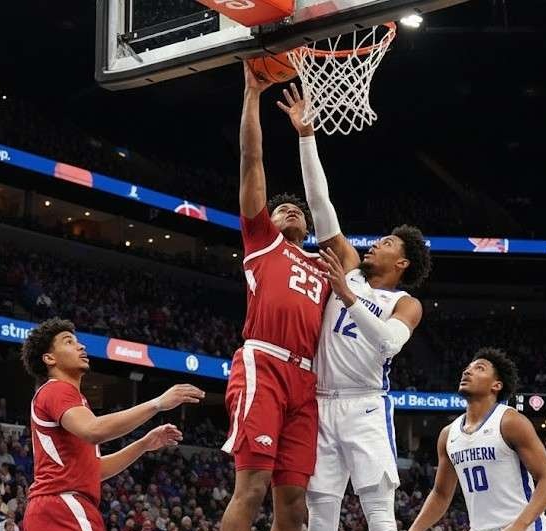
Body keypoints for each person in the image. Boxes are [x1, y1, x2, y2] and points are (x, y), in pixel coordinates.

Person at [276, 83, 431, 531]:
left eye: (385, 242)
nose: (374, 243)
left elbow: (389, 344)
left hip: (366, 404)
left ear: (400, 262)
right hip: (320, 401)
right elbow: (321, 206)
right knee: (319, 508)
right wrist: (306, 137)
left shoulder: (404, 302)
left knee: (378, 509)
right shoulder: (350, 268)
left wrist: (347, 297)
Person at [219, 65, 333, 531]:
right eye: (282, 207)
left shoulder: (326, 267)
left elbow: (324, 207)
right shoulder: (263, 240)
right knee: (252, 485)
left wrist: (310, 138)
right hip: (262, 363)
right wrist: (252, 94)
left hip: (306, 381)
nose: (290, 210)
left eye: (297, 210)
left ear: (309, 228)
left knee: (293, 498)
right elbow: (252, 160)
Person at [21, 317, 204, 531]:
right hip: (64, 506)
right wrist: (158, 403)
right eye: (68, 341)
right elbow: (94, 430)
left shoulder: (72, 403)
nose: (81, 345)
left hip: (57, 507)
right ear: (49, 358)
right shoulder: (57, 389)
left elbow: (95, 470)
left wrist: (144, 444)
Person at [408, 348, 546, 531]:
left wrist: (518, 526)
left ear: (496, 385)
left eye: (479, 368)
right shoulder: (448, 434)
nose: (467, 371)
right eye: (467, 368)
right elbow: (441, 495)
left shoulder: (510, 422)